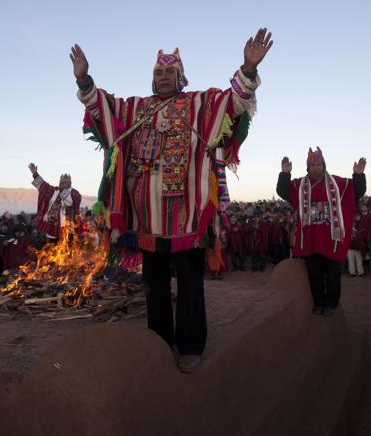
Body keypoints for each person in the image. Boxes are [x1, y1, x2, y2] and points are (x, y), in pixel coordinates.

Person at [74, 28, 273, 373]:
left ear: (180, 77)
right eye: (158, 72)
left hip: (188, 218)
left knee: (190, 284)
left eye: (169, 72)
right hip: (146, 220)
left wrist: (248, 68)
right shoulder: (135, 108)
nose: (163, 77)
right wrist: (84, 79)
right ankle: (160, 343)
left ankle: (191, 345)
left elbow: (234, 104)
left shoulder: (199, 104)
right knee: (154, 285)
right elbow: (101, 109)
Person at [276, 147, 367, 315]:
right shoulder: (300, 185)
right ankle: (318, 302)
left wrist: (358, 175)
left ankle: (331, 303)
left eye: (318, 165)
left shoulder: (337, 183)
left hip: (331, 239)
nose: (315, 168)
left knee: (333, 275)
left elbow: (357, 191)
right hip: (311, 239)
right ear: (307, 168)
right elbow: (283, 191)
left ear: (324, 165)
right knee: (314, 275)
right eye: (312, 166)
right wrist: (285, 174)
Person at [28, 164, 82, 241]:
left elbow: (72, 202)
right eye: (62, 182)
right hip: (51, 225)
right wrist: (35, 174)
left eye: (66, 182)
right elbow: (43, 185)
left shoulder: (73, 193)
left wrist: (63, 191)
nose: (63, 184)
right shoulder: (54, 191)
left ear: (70, 183)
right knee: (51, 246)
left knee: (65, 245)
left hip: (66, 227)